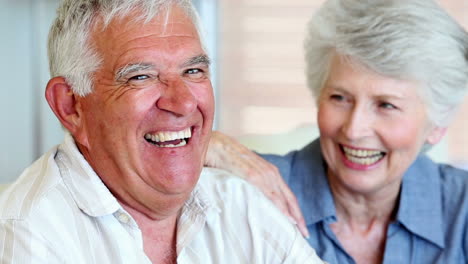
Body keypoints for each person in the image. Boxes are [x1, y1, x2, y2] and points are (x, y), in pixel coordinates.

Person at [0, 1, 325, 263]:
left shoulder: (238, 202)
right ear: (70, 106)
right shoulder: (28, 233)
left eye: (193, 70)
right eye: (140, 76)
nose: (182, 102)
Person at [206, 0, 468, 263]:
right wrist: (204, 146)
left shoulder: (462, 209)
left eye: (386, 105)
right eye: (339, 98)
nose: (354, 130)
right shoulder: (246, 190)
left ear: (437, 125)